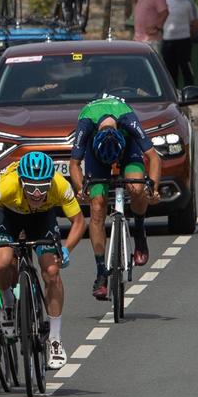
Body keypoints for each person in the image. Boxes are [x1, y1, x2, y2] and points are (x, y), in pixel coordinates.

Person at [0, 149, 86, 370]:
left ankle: (55, 339)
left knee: (51, 271)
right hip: (9, 216)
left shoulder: (60, 186)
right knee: (1, 263)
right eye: (31, 188)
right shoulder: (7, 186)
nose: (37, 194)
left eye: (42, 188)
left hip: (43, 219)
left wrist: (67, 249)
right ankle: (8, 302)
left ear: (51, 183)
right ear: (21, 183)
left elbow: (79, 221)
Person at [68, 95, 162, 300]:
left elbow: (154, 157)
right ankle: (101, 271)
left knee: (137, 188)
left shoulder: (128, 119)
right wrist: (80, 188)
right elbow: (74, 164)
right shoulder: (86, 122)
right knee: (97, 205)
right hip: (96, 155)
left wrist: (153, 188)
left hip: (128, 147)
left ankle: (139, 229)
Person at [160, 0, 198, 87]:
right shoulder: (165, 2)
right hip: (168, 41)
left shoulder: (189, 3)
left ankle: (190, 94)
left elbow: (195, 23)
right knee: (170, 72)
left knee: (186, 69)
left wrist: (192, 36)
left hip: (184, 41)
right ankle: (174, 97)